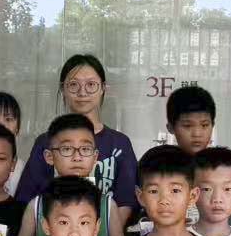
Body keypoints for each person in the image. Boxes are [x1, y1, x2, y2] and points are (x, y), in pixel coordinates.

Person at [16, 55, 139, 209]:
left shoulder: (120, 143)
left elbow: (127, 202)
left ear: (103, 88)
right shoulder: (46, 142)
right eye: (74, 85)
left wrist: (105, 224)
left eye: (91, 84)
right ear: (63, 89)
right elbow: (27, 198)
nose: (82, 92)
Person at [9, 113, 126, 236]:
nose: (77, 157)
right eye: (67, 149)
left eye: (85, 149)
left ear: (95, 157)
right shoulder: (36, 205)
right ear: (49, 156)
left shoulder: (107, 205)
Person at [166, 85, 216, 155]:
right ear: (171, 127)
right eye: (187, 126)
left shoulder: (223, 160)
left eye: (204, 125)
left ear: (212, 125)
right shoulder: (158, 160)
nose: (197, 134)